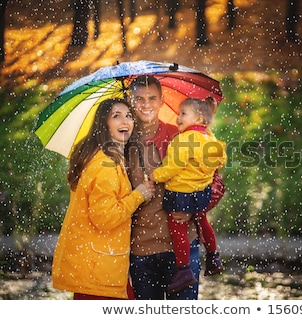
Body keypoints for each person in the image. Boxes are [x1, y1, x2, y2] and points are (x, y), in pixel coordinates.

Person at [52, 98, 155, 300]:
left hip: (100, 267)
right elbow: (105, 218)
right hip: (98, 271)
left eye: (129, 116)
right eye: (116, 116)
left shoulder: (108, 158)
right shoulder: (104, 166)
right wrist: (139, 194)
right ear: (104, 124)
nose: (125, 121)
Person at [126, 75, 201, 300]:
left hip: (181, 248)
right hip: (141, 250)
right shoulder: (121, 142)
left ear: (161, 101)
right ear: (131, 102)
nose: (146, 105)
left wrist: (191, 208)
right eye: (139, 99)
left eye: (152, 98)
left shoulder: (181, 137)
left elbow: (213, 183)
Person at [150, 97, 227, 293]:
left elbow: (172, 166)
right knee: (203, 221)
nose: (178, 118)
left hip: (181, 192)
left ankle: (183, 269)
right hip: (202, 191)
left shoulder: (184, 139)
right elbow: (220, 161)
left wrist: (155, 175)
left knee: (177, 229)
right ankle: (213, 256)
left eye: (183, 114)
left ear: (199, 118)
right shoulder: (210, 138)